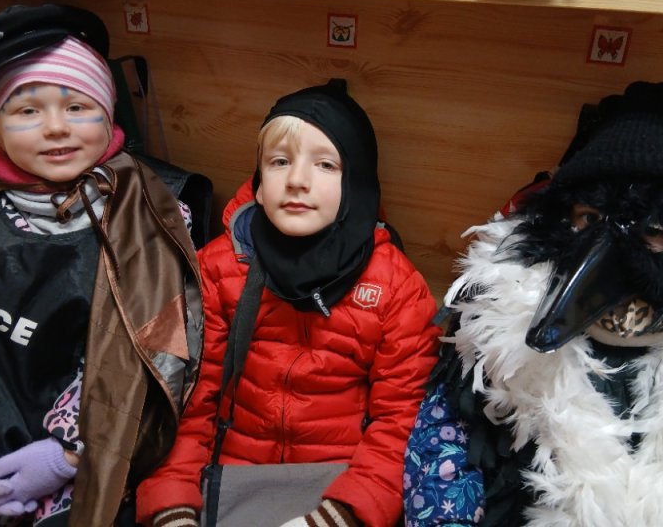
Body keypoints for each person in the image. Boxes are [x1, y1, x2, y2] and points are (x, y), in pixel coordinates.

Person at [403, 81, 663, 526]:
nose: (613, 249)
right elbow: (441, 448)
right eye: (590, 219)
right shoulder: (496, 320)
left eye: (654, 231)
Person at [136, 79, 441, 527]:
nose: (297, 180)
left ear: (356, 184)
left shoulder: (396, 286)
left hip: (341, 490)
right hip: (231, 483)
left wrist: (344, 512)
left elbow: (401, 423)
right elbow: (183, 403)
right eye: (279, 162)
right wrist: (173, 506)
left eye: (325, 164)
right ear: (260, 184)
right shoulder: (218, 269)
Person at [0, 4, 203, 526]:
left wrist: (65, 453)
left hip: (97, 458)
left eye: (78, 105)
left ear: (108, 113)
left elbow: (165, 350)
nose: (56, 128)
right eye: (26, 110)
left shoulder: (153, 214)